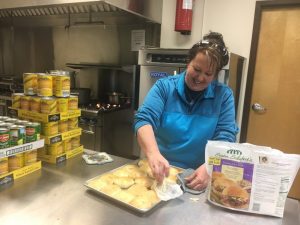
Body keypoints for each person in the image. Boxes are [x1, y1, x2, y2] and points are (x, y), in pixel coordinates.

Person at [134, 31, 239, 191]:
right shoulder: (164, 87)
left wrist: (210, 166)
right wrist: (153, 153)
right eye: (196, 69)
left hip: (199, 176)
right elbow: (144, 120)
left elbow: (226, 136)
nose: (200, 77)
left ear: (216, 74)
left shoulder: (223, 96)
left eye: (208, 74)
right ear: (188, 62)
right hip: (161, 173)